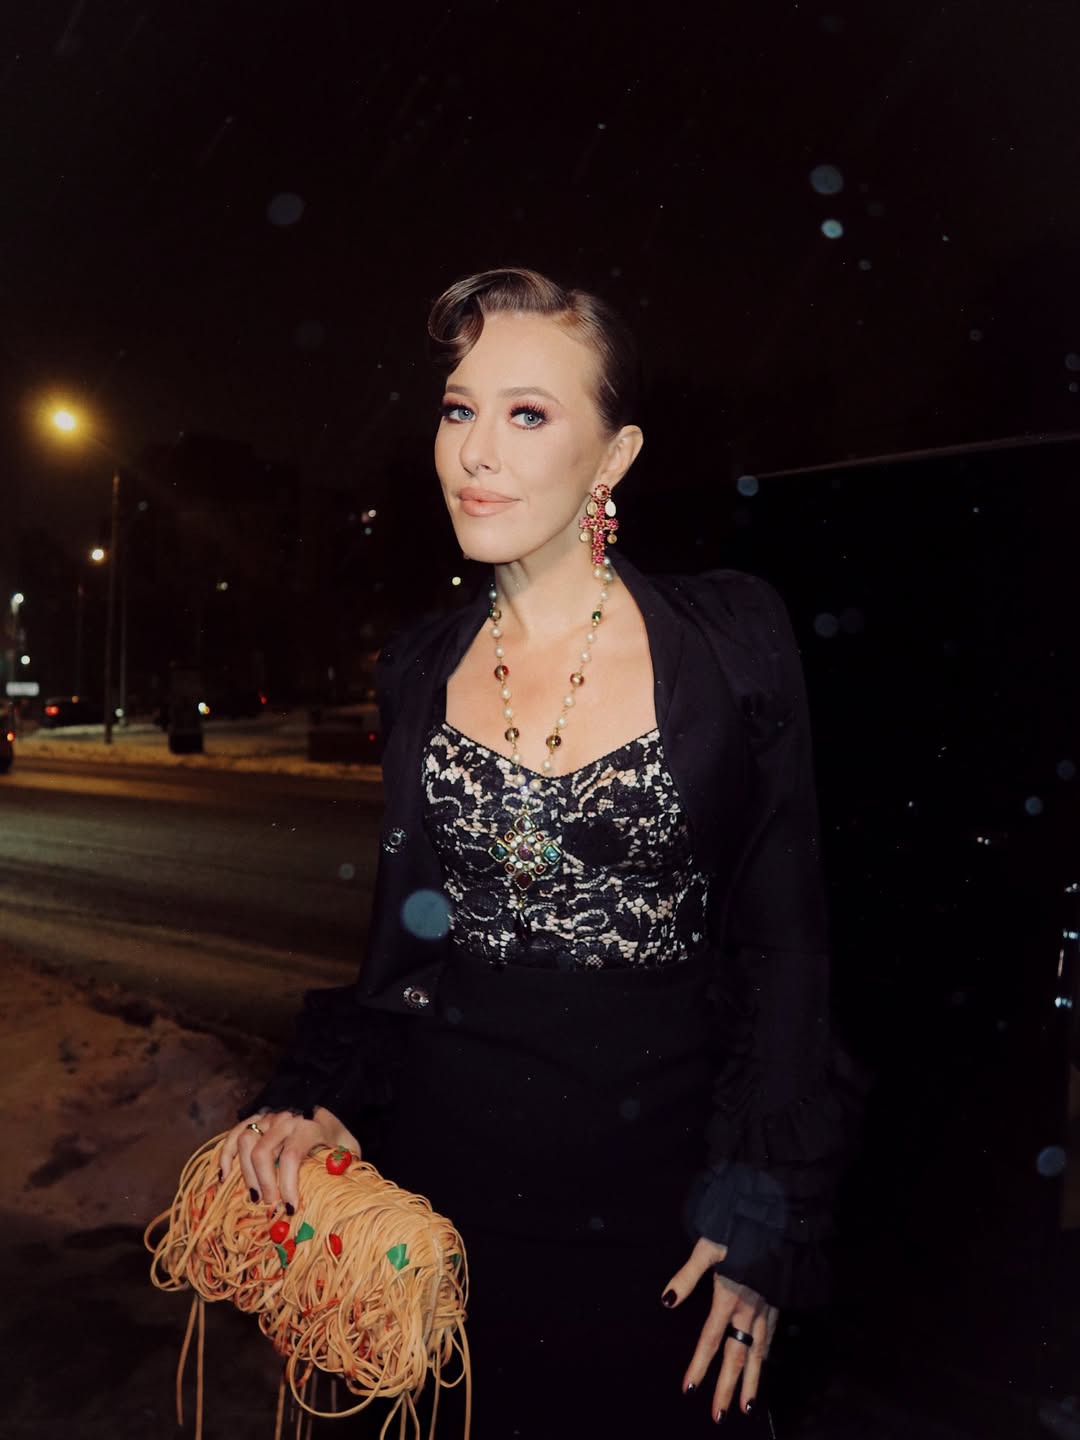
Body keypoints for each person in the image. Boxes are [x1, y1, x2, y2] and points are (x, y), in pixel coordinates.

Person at [219, 267, 862, 1436]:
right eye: (458, 409)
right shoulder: (418, 667)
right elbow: (407, 955)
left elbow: (787, 947)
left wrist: (763, 1202)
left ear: (613, 456)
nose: (475, 451)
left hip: (664, 1230)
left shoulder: (733, 640)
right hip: (442, 1223)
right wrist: (329, 1105)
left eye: (527, 413)